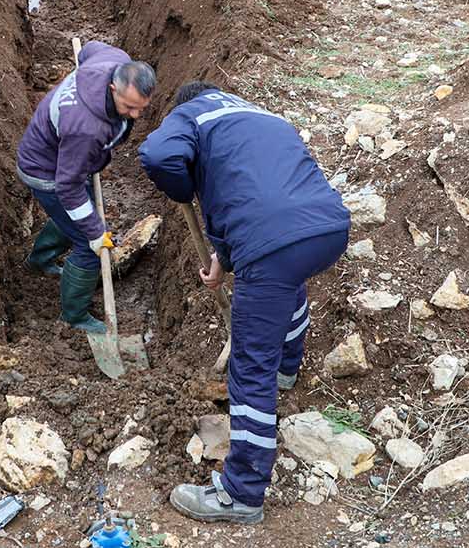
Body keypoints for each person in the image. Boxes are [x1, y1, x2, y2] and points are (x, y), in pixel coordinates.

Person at [138, 81, 350, 525]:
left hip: (272, 241)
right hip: (326, 228)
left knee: (250, 367)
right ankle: (287, 369)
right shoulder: (261, 115)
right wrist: (223, 258)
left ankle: (242, 492)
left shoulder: (192, 113)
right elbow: (254, 193)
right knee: (286, 283)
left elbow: (157, 156)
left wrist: (180, 189)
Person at [16, 41, 156, 333]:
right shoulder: (85, 129)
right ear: (112, 88)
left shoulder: (113, 59)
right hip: (48, 174)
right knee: (87, 244)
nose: (135, 116)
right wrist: (94, 235)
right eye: (129, 107)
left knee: (76, 218)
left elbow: (89, 48)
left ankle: (40, 261)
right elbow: (68, 188)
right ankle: (74, 316)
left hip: (66, 163)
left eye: (141, 108)